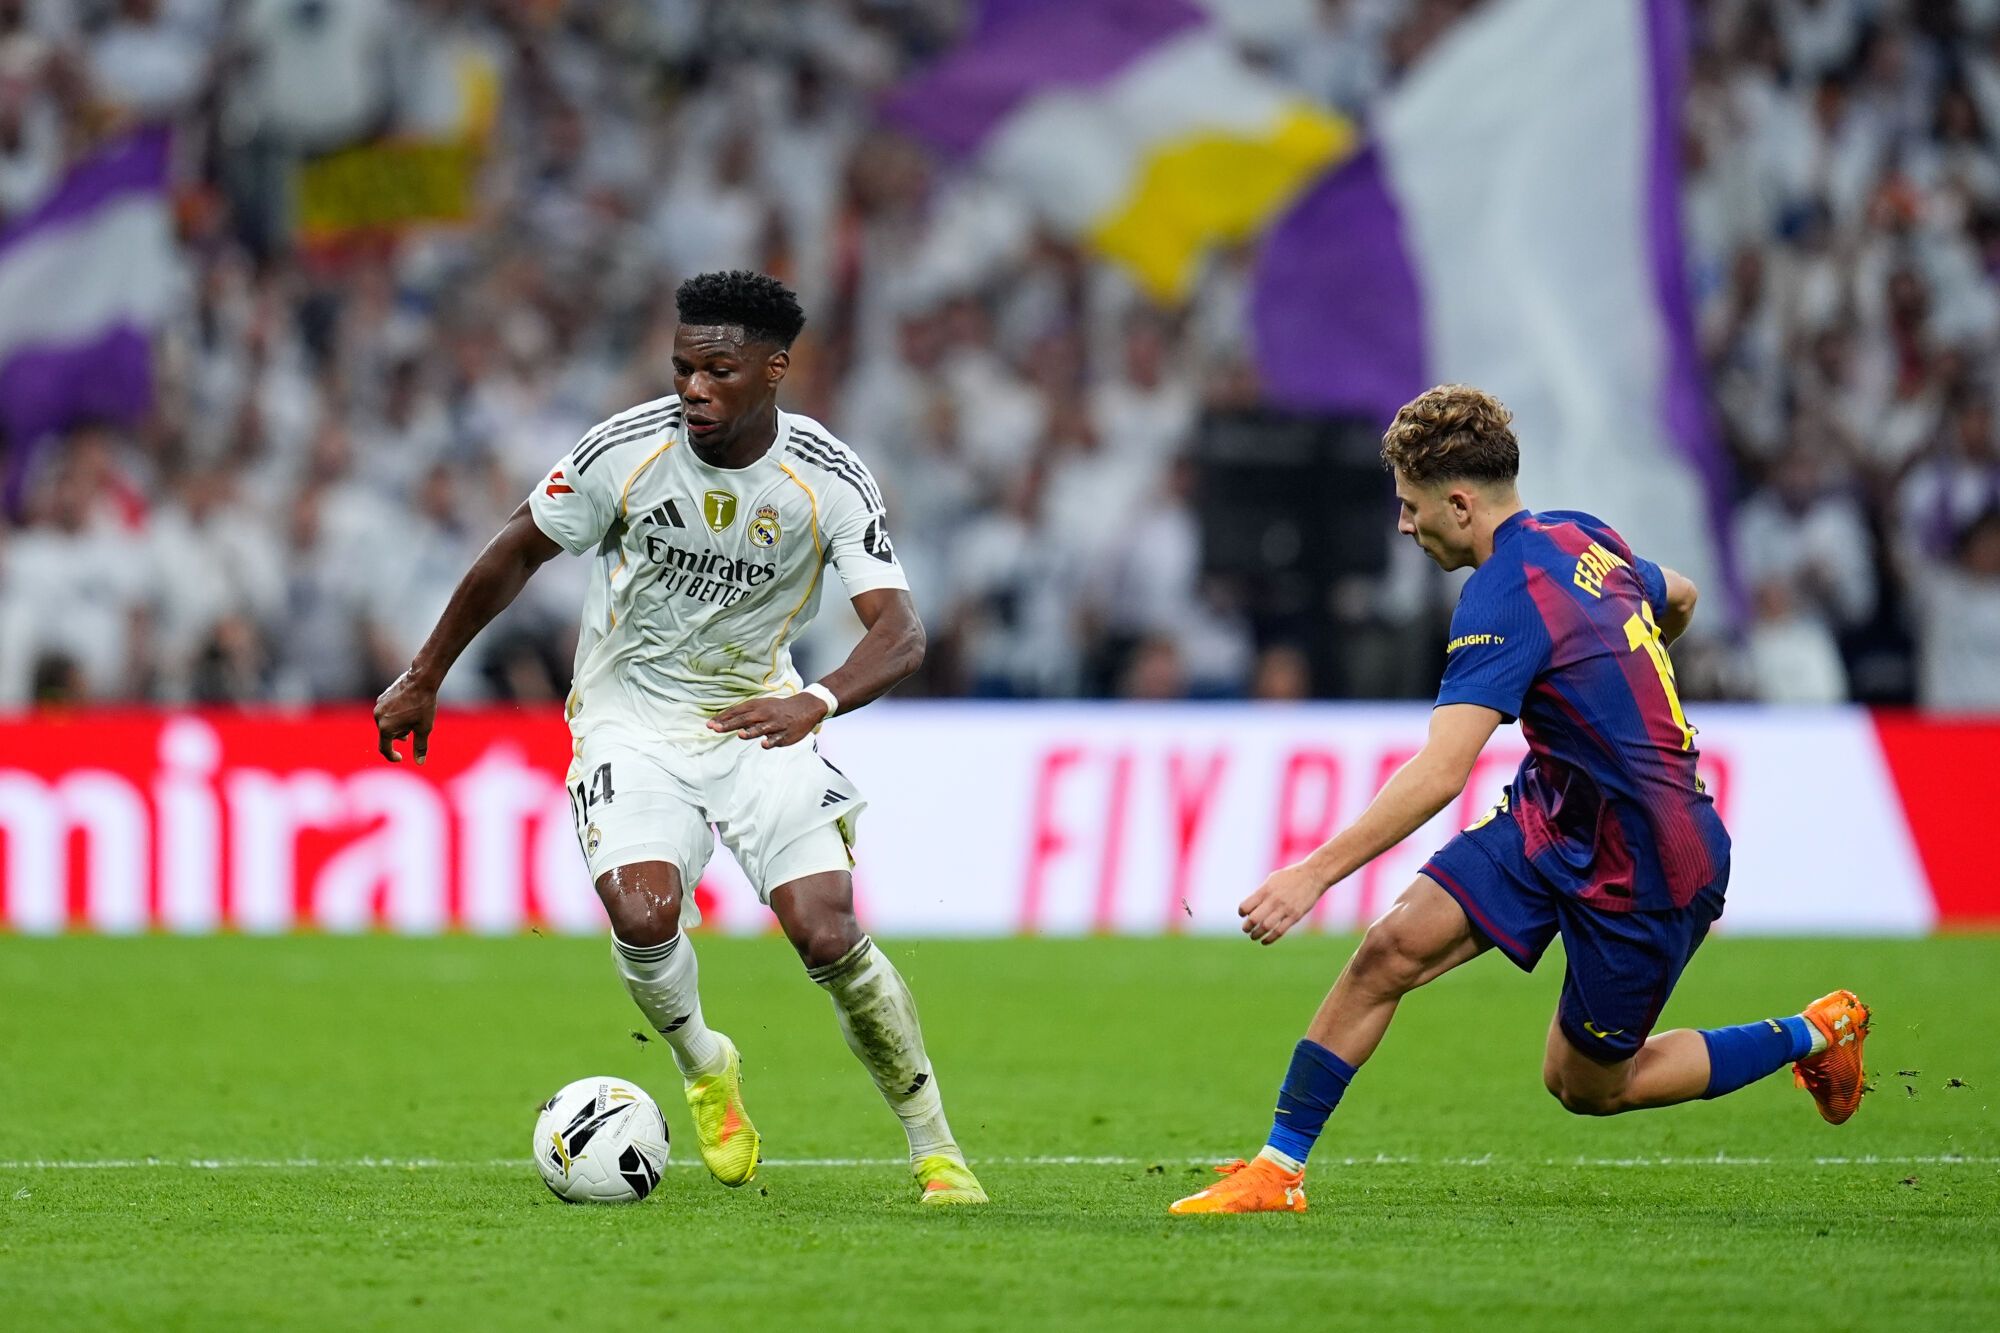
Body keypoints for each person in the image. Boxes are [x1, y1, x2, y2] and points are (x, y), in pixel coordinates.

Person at [1170, 385, 1868, 1217]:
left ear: (1459, 504)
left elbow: (1441, 771)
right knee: (1390, 950)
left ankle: (1819, 1031)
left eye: (1410, 505)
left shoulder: (1501, 595)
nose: (1403, 524)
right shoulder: (1582, 534)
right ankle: (1278, 1169)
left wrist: (1313, 874)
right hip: (1556, 813)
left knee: (1587, 1085)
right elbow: (1678, 595)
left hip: (1649, 858)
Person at [373, 270, 986, 1206]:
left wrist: (814, 702)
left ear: (774, 370)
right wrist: (425, 674)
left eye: (717, 370)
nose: (692, 387)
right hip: (632, 723)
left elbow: (900, 635)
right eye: (681, 368)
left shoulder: (827, 476)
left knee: (827, 932)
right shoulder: (626, 450)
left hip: (761, 721)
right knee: (644, 913)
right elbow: (516, 549)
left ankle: (935, 1147)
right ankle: (706, 1064)